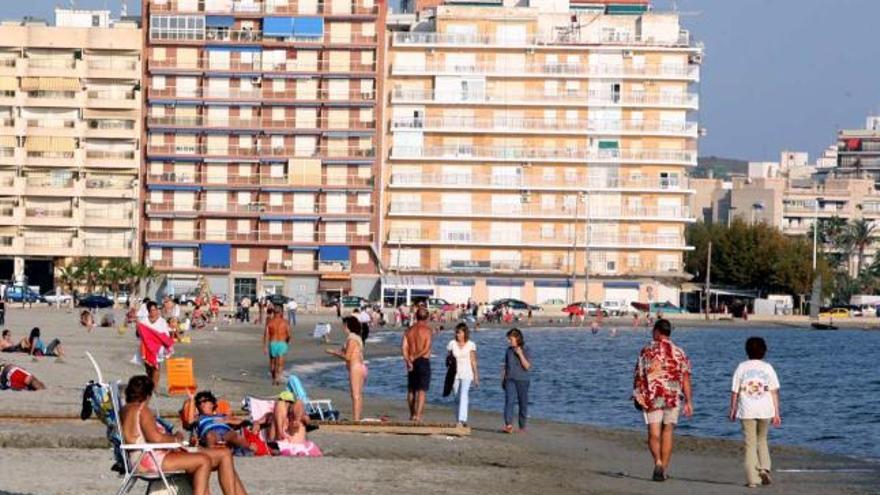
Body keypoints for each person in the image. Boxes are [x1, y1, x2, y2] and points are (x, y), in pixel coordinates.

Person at [120, 375, 248, 495]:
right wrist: (175, 438)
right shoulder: (142, 410)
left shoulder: (126, 409)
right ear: (147, 395)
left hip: (143, 457)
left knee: (224, 454)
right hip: (149, 459)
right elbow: (156, 438)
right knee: (203, 461)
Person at [632, 318, 692, 482]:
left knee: (654, 432)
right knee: (668, 431)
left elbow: (639, 375)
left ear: (657, 332)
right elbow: (685, 378)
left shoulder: (646, 350)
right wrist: (689, 401)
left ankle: (658, 462)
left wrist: (637, 395)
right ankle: (663, 469)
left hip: (653, 395)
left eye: (653, 331)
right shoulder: (680, 352)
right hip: (672, 396)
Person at [728, 337, 781, 488]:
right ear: (764, 351)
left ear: (747, 351)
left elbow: (734, 391)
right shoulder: (768, 367)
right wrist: (777, 413)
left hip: (747, 409)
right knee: (762, 439)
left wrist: (732, 409)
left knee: (750, 444)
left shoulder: (741, 367)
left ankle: (753, 479)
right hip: (766, 408)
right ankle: (764, 468)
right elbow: (774, 392)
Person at [184, 390, 255, 453]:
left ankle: (249, 448)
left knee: (234, 435)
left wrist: (227, 421)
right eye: (199, 403)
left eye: (205, 401)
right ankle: (215, 454)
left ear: (212, 404)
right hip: (210, 434)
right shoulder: (199, 417)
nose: (202, 404)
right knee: (210, 435)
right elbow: (190, 422)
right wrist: (192, 399)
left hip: (226, 433)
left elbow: (242, 422)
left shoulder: (222, 415)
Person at [325, 316, 367, 421]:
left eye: (344, 325)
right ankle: (357, 418)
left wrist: (333, 352)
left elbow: (348, 357)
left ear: (348, 326)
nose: (343, 327)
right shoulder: (356, 337)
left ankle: (356, 420)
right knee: (358, 395)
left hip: (356, 367)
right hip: (360, 367)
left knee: (355, 395)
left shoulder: (352, 339)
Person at [402, 306, 432, 422]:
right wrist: (414, 357)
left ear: (416, 316)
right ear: (427, 317)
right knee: (421, 390)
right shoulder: (427, 330)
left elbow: (404, 348)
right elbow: (426, 348)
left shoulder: (409, 330)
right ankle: (418, 416)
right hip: (422, 361)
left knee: (411, 389)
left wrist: (408, 360)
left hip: (411, 361)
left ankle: (412, 414)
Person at [447, 323, 479, 427]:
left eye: (460, 333)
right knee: (456, 397)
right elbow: (448, 359)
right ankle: (459, 420)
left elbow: (473, 361)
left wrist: (476, 376)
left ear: (465, 333)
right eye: (457, 333)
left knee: (464, 394)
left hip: (467, 372)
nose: (458, 335)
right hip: (454, 373)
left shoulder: (471, 344)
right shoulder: (452, 344)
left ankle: (462, 419)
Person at [501, 328, 531, 433]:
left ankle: (522, 426)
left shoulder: (526, 349)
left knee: (523, 403)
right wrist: (503, 379)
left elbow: (527, 366)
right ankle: (508, 425)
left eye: (511, 339)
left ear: (517, 338)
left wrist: (520, 354)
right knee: (509, 401)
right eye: (509, 339)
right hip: (510, 379)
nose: (509, 341)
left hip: (523, 380)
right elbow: (505, 366)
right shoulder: (508, 350)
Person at [139, 301, 174, 387]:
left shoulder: (162, 321)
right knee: (149, 369)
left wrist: (167, 345)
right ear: (148, 311)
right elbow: (140, 334)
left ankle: (154, 388)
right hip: (146, 348)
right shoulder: (144, 321)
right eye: (152, 310)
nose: (154, 312)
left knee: (157, 368)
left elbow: (166, 334)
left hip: (158, 348)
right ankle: (150, 384)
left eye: (155, 310)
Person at [262, 309, 290, 386]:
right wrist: (286, 342)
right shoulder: (285, 322)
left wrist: (265, 347)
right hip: (282, 343)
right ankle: (278, 378)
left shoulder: (270, 322)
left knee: (272, 363)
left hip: (273, 343)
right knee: (280, 363)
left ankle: (274, 378)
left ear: (273, 313)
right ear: (281, 313)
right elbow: (289, 334)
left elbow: (266, 335)